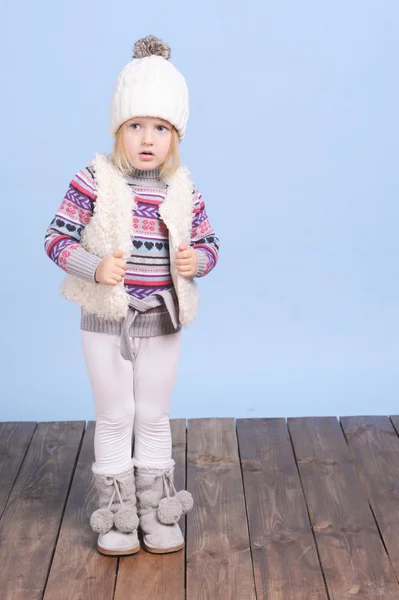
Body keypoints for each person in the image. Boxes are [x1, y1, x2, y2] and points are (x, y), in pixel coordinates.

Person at [43, 34, 220, 557]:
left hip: (161, 322)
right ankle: (117, 514)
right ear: (119, 128)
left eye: (161, 127)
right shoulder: (94, 180)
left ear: (175, 135)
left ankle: (156, 510)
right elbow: (55, 237)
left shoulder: (183, 188)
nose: (148, 138)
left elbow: (209, 242)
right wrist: (94, 266)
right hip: (106, 323)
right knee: (116, 415)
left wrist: (197, 261)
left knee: (154, 416)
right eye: (136, 125)